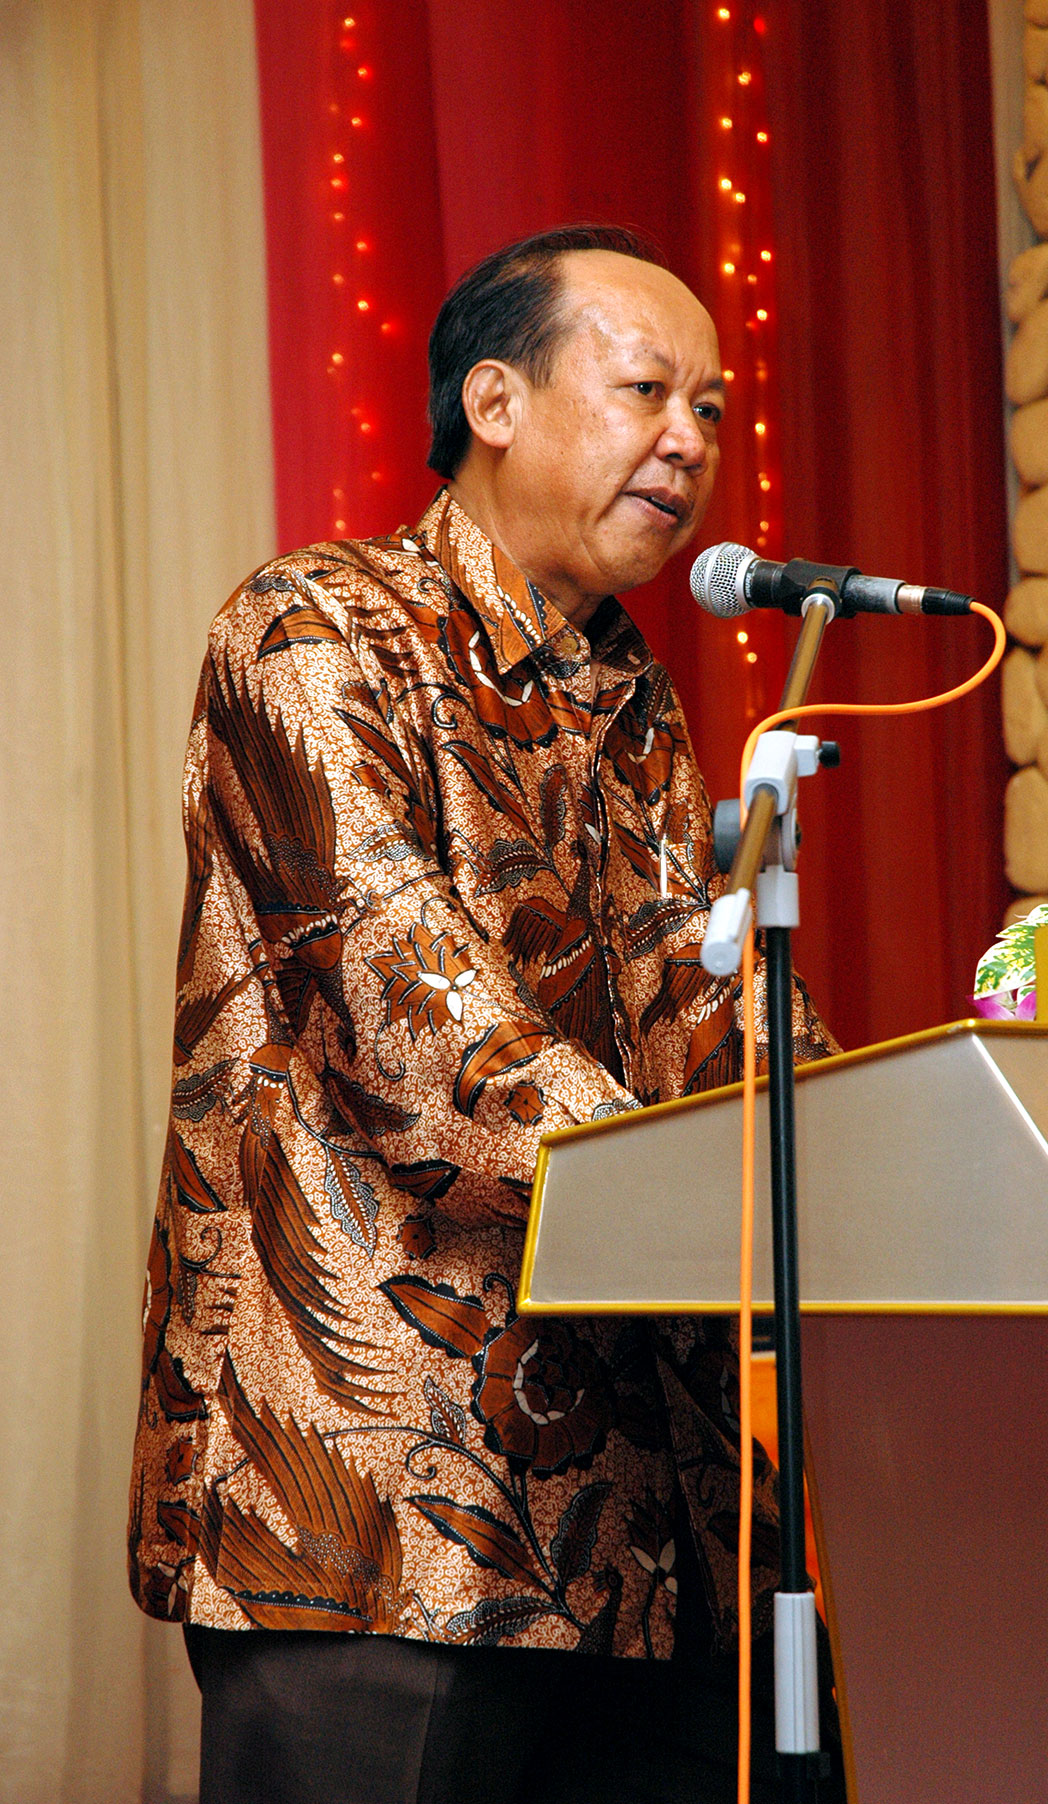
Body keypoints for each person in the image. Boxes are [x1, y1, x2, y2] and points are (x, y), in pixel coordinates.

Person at [128, 223, 842, 1802]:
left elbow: (704, 1004)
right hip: (375, 1499)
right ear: (496, 401)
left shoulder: (630, 696)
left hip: (641, 1519)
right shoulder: (314, 629)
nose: (691, 439)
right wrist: (757, 1201)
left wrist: (872, 1139)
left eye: (712, 410)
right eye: (649, 388)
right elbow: (421, 1027)